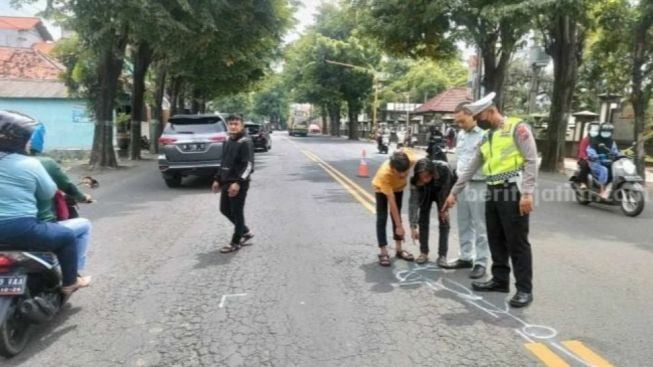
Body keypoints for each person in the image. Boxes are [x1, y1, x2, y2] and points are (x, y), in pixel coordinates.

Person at [443, 92, 538, 308]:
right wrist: (454, 192)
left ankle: (524, 289)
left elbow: (531, 160)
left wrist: (527, 193)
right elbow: (471, 168)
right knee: (496, 238)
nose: (480, 120)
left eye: (481, 115)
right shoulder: (486, 137)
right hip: (492, 190)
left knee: (517, 242)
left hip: (512, 189)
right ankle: (500, 280)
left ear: (491, 110)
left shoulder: (517, 127)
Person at [0, 110, 89, 295]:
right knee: (67, 237)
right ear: (21, 139)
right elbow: (47, 193)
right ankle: (70, 282)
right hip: (22, 229)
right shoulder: (30, 164)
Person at [28, 134, 94, 278]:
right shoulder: (43, 163)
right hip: (31, 227)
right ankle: (71, 277)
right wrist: (82, 197)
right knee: (80, 228)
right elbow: (64, 186)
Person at [443, 102, 489, 279]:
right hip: (462, 184)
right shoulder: (461, 135)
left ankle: (481, 262)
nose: (460, 125)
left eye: (462, 121)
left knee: (479, 224)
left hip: (479, 183)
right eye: (458, 122)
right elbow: (461, 162)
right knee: (463, 222)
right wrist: (455, 189)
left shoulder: (484, 136)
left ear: (472, 115)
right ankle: (466, 257)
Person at [212, 114, 255, 253]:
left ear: (242, 125)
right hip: (226, 181)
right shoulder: (228, 140)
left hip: (238, 184)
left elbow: (248, 166)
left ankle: (235, 242)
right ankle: (245, 231)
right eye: (231, 124)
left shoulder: (245, 142)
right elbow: (224, 162)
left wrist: (238, 183)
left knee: (237, 212)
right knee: (224, 209)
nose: (233, 126)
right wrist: (217, 179)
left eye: (236, 124)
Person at [372, 149, 417, 266]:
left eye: (405, 171)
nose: (403, 175)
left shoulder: (409, 159)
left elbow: (422, 158)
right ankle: (383, 251)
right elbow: (392, 204)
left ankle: (399, 249)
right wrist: (399, 227)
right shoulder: (384, 174)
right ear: (392, 168)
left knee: (397, 215)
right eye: (399, 172)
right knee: (382, 217)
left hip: (398, 188)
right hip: (381, 188)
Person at [408, 158, 452, 266]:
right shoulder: (415, 181)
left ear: (432, 173)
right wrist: (413, 227)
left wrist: (444, 210)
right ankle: (424, 252)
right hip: (426, 192)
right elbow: (413, 204)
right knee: (422, 219)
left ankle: (442, 255)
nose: (424, 180)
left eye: (427, 176)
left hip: (442, 190)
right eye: (421, 178)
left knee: (444, 221)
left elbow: (446, 191)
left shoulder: (444, 169)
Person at [587, 123, 619, 199]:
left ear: (611, 132)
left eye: (608, 131)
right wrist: (594, 155)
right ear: (600, 131)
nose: (606, 133)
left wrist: (617, 154)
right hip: (596, 162)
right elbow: (590, 150)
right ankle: (602, 190)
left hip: (608, 162)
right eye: (604, 131)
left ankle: (610, 190)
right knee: (604, 170)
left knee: (616, 172)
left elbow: (615, 151)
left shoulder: (612, 142)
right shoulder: (595, 140)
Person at [577, 122, 600, 190]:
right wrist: (585, 157)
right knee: (585, 165)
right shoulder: (586, 140)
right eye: (593, 129)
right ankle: (583, 182)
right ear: (589, 130)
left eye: (597, 129)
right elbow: (582, 150)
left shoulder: (600, 140)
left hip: (597, 159)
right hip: (585, 159)